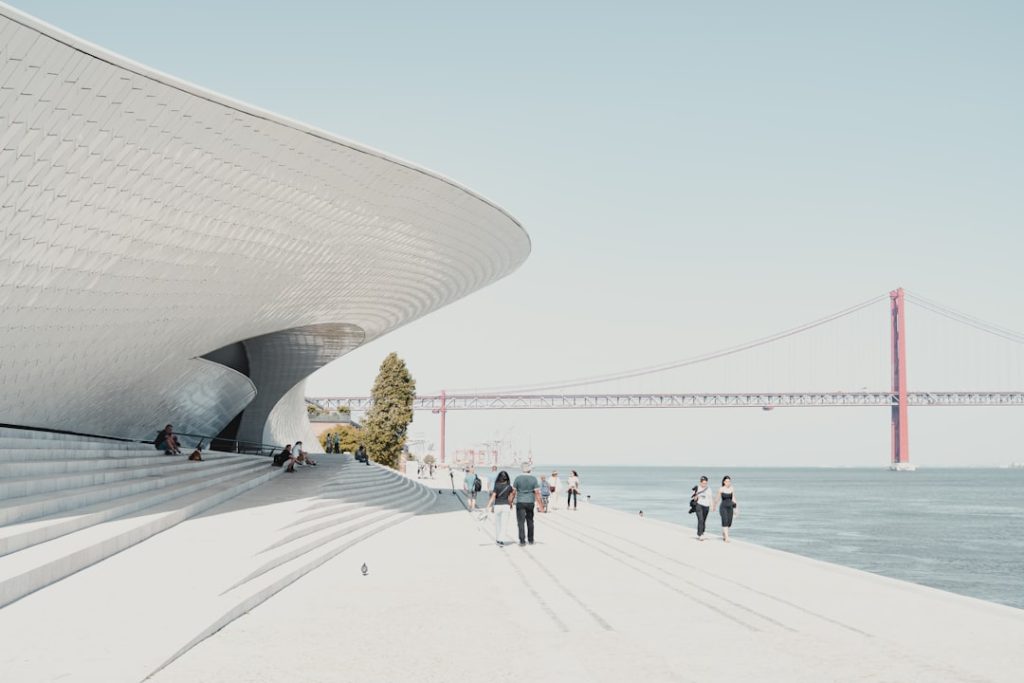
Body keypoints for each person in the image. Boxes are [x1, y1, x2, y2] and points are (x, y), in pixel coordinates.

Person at [512, 462, 545, 545]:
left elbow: (513, 492)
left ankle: (522, 541)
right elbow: (537, 493)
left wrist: (510, 502)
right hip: (530, 502)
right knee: (530, 521)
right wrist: (541, 505)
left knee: (520, 522)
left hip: (520, 502)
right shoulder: (534, 479)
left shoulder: (517, 478)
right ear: (529, 469)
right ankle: (531, 540)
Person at [486, 470, 514, 545]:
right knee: (504, 524)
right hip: (506, 506)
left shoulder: (497, 486)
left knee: (498, 523)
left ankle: (498, 538)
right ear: (507, 478)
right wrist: (511, 504)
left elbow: (493, 496)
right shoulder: (509, 487)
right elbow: (511, 498)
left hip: (497, 506)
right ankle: (501, 539)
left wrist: (488, 506)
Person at [715, 475, 737, 542]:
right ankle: (727, 537)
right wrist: (713, 506)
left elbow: (733, 498)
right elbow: (717, 498)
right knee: (725, 521)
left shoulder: (732, 488)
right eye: (727, 481)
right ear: (724, 482)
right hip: (723, 507)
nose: (728, 483)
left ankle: (724, 533)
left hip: (730, 507)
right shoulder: (721, 489)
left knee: (729, 523)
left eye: (729, 481)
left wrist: (736, 509)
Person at [692, 475, 713, 540]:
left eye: (706, 483)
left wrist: (712, 506)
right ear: (700, 482)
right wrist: (696, 496)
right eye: (703, 483)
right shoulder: (697, 488)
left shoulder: (709, 489)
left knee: (703, 520)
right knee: (700, 519)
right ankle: (700, 534)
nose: (704, 484)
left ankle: (702, 532)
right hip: (699, 505)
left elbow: (710, 498)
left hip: (706, 506)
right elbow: (693, 498)